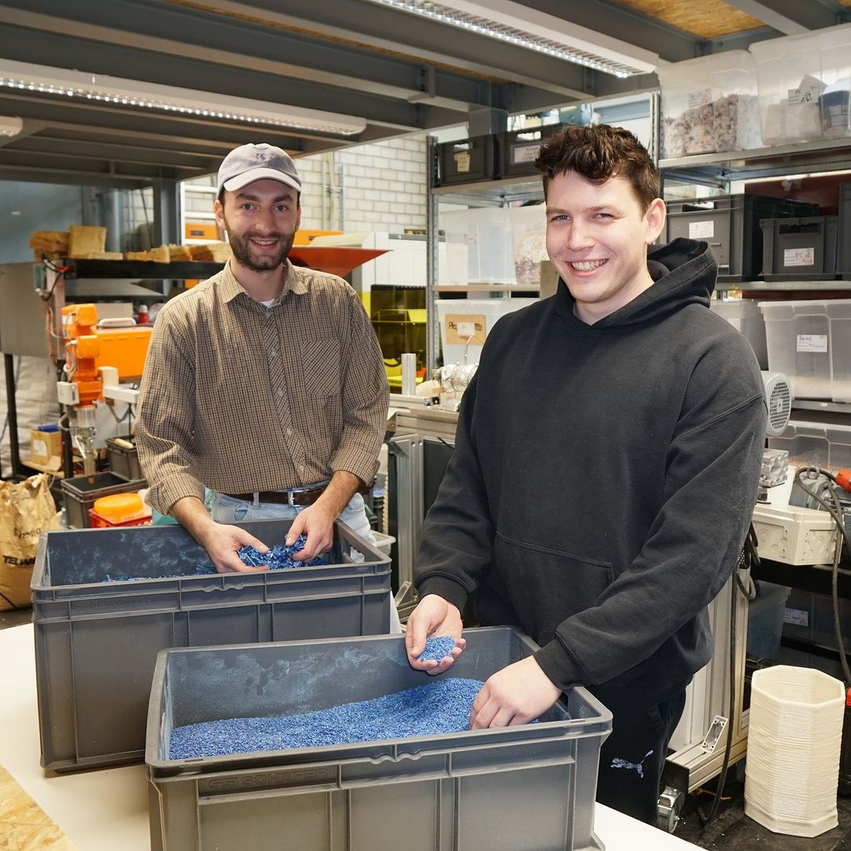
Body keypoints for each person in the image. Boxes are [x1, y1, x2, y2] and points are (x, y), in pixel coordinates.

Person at [405, 124, 766, 824]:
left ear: (651, 219)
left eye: (603, 215)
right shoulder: (513, 341)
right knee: (486, 829)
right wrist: (444, 585)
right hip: (498, 659)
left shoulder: (711, 364)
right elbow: (469, 487)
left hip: (621, 688)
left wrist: (555, 665)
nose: (577, 240)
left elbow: (689, 560)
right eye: (560, 217)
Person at [136, 143, 389, 574]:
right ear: (220, 213)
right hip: (239, 528)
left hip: (339, 515)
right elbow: (162, 445)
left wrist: (328, 506)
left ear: (297, 213)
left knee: (368, 639)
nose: (265, 224)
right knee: (254, 644)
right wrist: (204, 529)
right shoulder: (185, 320)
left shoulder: (336, 302)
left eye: (280, 206)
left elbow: (367, 415)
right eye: (248, 205)